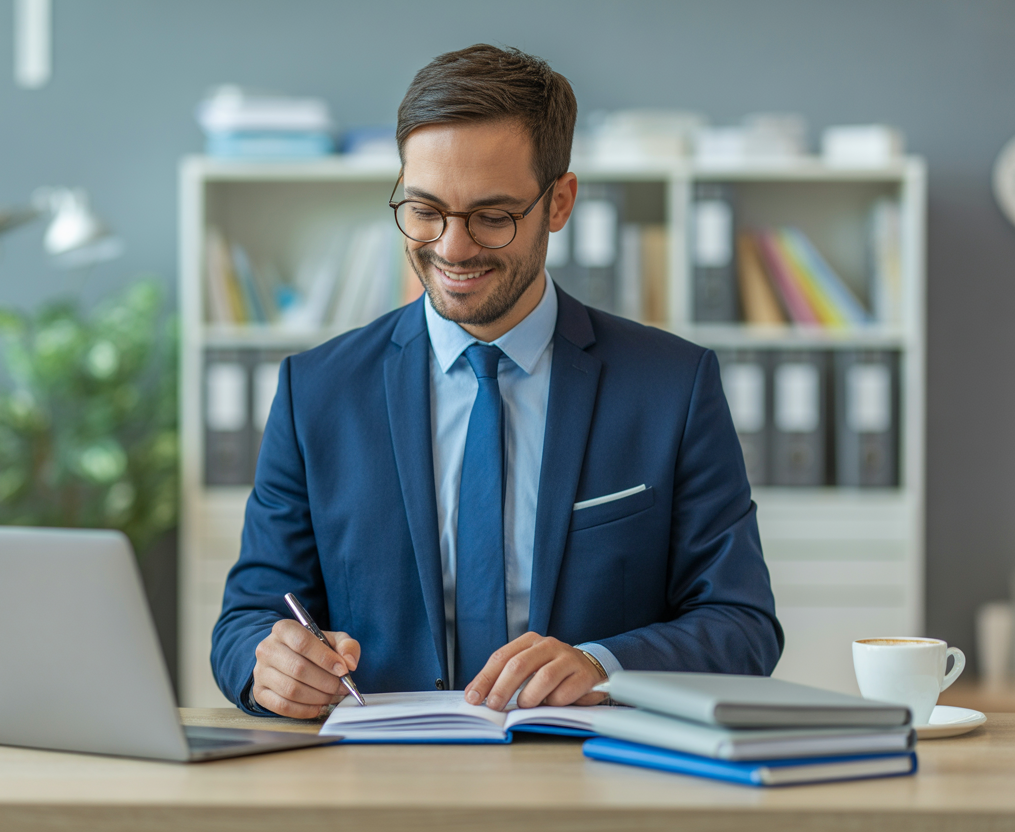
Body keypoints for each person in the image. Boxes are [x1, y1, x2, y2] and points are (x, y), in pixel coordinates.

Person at [212, 44, 782, 719]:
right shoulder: (316, 391)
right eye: (425, 210)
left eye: (492, 217)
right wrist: (268, 666)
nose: (452, 248)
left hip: (591, 764)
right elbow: (248, 618)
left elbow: (742, 624)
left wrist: (604, 666)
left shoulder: (673, 387)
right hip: (378, 766)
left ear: (559, 202)